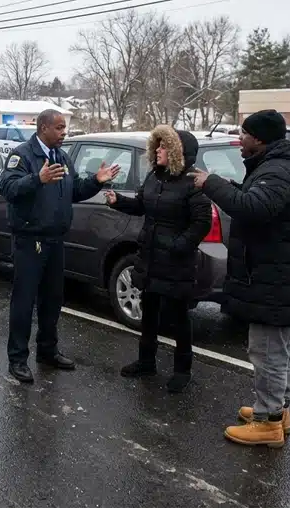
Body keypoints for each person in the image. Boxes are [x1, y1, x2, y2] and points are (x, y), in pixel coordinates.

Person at [190, 109, 290, 448]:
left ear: (260, 138)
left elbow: (253, 207)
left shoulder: (278, 169)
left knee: (266, 351)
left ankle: (268, 422)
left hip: (275, 278)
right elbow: (257, 201)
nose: (240, 139)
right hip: (276, 275)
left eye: (245, 133)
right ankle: (277, 410)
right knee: (276, 347)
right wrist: (230, 186)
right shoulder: (278, 166)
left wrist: (212, 183)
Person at [0, 110, 120, 383]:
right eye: (59, 127)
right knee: (24, 301)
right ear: (43, 128)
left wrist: (95, 182)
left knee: (52, 300)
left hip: (55, 241)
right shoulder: (23, 155)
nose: (64, 132)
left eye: (65, 127)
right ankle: (17, 359)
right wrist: (37, 179)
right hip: (30, 241)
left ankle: (47, 351)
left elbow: (73, 189)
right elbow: (7, 188)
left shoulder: (61, 157)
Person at [105, 126, 211, 393]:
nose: (158, 150)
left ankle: (182, 370)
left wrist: (178, 246)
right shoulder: (155, 176)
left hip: (177, 261)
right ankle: (146, 361)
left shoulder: (192, 183)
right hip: (150, 256)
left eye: (164, 146)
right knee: (149, 312)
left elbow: (201, 223)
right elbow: (141, 205)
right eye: (158, 145)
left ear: (178, 151)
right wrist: (118, 201)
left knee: (178, 317)